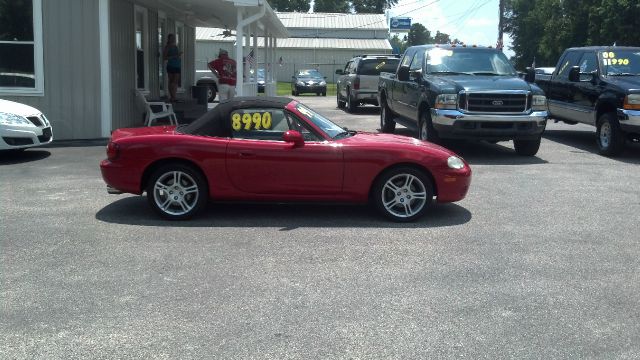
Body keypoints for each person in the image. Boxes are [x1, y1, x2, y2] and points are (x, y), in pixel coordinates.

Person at [163, 34, 182, 102]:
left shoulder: (175, 46)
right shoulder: (167, 47)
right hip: (171, 65)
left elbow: (177, 56)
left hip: (177, 65)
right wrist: (174, 56)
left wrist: (179, 56)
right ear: (169, 39)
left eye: (174, 38)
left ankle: (174, 96)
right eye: (172, 38)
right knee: (172, 81)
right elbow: (164, 57)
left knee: (175, 81)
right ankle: (172, 97)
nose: (173, 39)